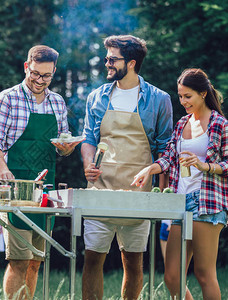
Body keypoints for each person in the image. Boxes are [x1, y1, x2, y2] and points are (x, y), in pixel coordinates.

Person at [132, 68, 228, 300]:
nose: (183, 101)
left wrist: (205, 166)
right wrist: (150, 168)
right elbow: (169, 157)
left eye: (187, 96)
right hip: (180, 203)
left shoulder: (221, 125)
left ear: (203, 93)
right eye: (180, 96)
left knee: (203, 274)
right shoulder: (182, 124)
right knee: (172, 277)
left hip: (207, 203)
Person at [81, 35, 173, 300]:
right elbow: (89, 138)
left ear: (131, 63)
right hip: (101, 189)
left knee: (133, 263)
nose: (107, 63)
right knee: (92, 260)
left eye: (112, 59)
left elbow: (165, 148)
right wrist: (88, 164)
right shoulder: (96, 97)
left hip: (139, 192)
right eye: (107, 58)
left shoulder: (159, 99)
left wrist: (163, 194)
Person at [0, 45, 81, 299]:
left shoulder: (57, 102)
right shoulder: (7, 98)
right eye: (36, 74)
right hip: (14, 188)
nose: (40, 80)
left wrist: (66, 148)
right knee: (18, 259)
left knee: (36, 260)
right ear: (27, 67)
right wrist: (3, 170)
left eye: (46, 76)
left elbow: (61, 148)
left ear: (53, 73)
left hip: (44, 190)